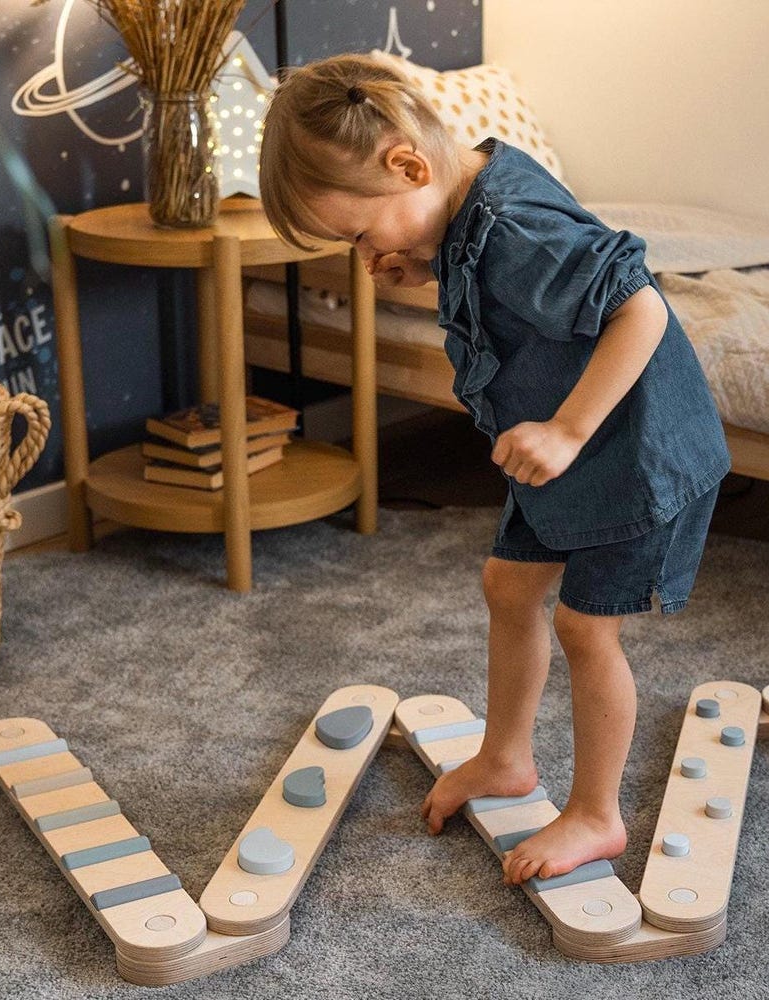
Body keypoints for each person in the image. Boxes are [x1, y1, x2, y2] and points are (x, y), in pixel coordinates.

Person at [259, 53, 731, 884]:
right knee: (509, 586)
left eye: (359, 235)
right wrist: (420, 262)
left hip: (634, 453)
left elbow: (641, 309)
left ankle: (597, 815)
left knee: (586, 628)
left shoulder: (514, 226)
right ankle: (507, 759)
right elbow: (494, 286)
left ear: (408, 167)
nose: (363, 255)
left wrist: (566, 429)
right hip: (568, 454)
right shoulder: (460, 201)